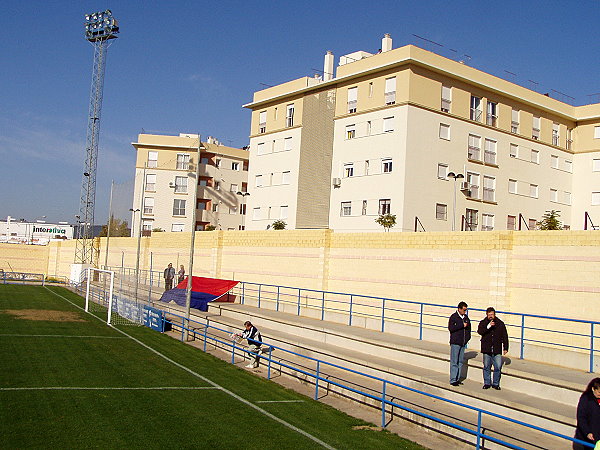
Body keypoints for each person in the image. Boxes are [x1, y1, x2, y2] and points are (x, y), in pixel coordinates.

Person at [477, 307, 509, 390]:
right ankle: (487, 383)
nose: (491, 316)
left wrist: (505, 347)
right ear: (487, 315)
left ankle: (495, 383)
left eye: (492, 314)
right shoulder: (483, 323)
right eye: (489, 315)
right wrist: (488, 326)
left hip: (496, 349)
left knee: (497, 367)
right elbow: (480, 331)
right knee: (486, 366)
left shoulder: (500, 323)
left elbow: (504, 336)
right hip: (487, 349)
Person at [448, 301, 471, 386]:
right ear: (459, 309)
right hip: (456, 342)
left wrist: (468, 338)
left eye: (466, 310)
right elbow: (451, 328)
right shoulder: (454, 317)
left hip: (463, 342)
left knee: (460, 361)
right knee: (454, 361)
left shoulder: (466, 318)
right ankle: (453, 379)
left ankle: (458, 378)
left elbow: (469, 329)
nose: (465, 311)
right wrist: (462, 325)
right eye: (464, 310)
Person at [573, 378, 600, 449]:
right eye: (599, 392)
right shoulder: (586, 399)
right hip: (585, 439)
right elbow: (581, 417)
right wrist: (587, 432)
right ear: (593, 389)